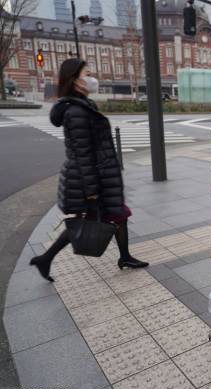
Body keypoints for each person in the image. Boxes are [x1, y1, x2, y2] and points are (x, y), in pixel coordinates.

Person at [29, 59, 148, 282]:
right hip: (91, 178)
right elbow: (83, 153)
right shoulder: (75, 111)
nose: (92, 78)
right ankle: (45, 259)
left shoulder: (83, 105)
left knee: (119, 215)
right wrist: (92, 191)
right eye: (88, 74)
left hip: (99, 175)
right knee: (85, 221)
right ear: (75, 80)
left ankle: (125, 256)